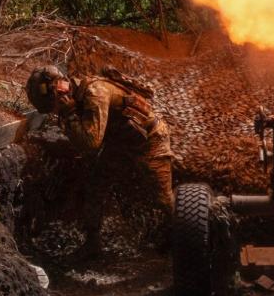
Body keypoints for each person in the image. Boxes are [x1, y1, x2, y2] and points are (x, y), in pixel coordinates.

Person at [25, 64, 174, 215]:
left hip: (151, 139)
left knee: (163, 199)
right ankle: (92, 235)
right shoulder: (76, 95)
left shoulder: (95, 94)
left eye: (54, 107)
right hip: (120, 141)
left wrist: (70, 113)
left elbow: (91, 143)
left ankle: (174, 227)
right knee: (96, 186)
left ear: (59, 91)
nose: (55, 112)